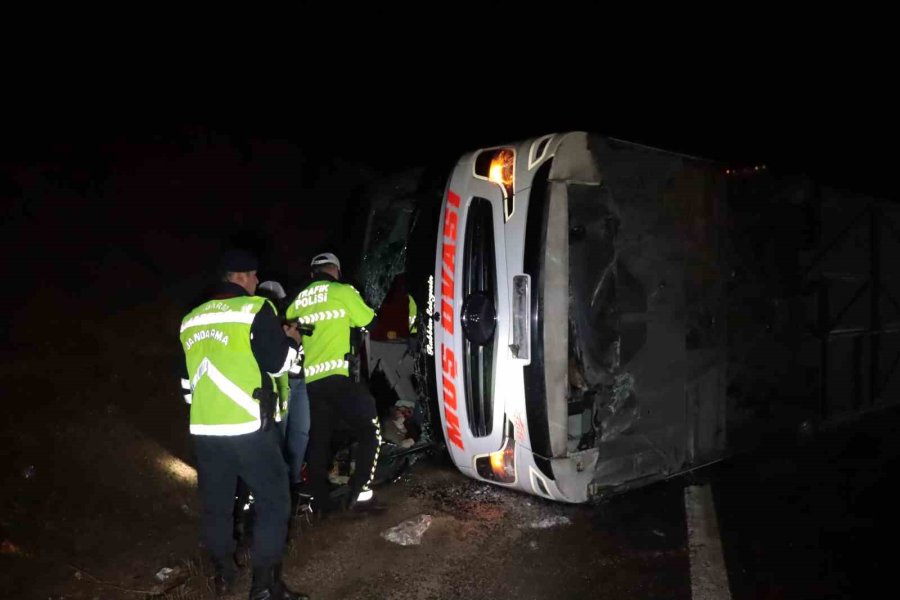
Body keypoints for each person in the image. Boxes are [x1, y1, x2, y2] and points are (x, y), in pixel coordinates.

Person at [179, 249, 308, 600]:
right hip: (248, 426)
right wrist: (292, 342)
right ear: (241, 277)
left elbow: (187, 385)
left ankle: (223, 574)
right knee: (275, 498)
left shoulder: (190, 319)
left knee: (217, 505)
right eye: (253, 276)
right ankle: (265, 587)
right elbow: (279, 364)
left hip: (204, 429)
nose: (255, 282)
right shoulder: (256, 309)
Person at [286, 252, 382, 514]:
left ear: (312, 274)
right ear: (336, 272)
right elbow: (369, 321)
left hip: (312, 382)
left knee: (319, 441)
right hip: (339, 377)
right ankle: (359, 493)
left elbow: (289, 323)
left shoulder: (299, 299)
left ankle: (321, 504)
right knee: (370, 429)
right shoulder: (343, 291)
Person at [259, 280, 311, 509]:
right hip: (279, 386)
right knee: (279, 434)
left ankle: (295, 481)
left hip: (301, 382)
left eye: (279, 301)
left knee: (301, 432)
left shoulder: (292, 320)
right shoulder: (263, 325)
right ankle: (278, 485)